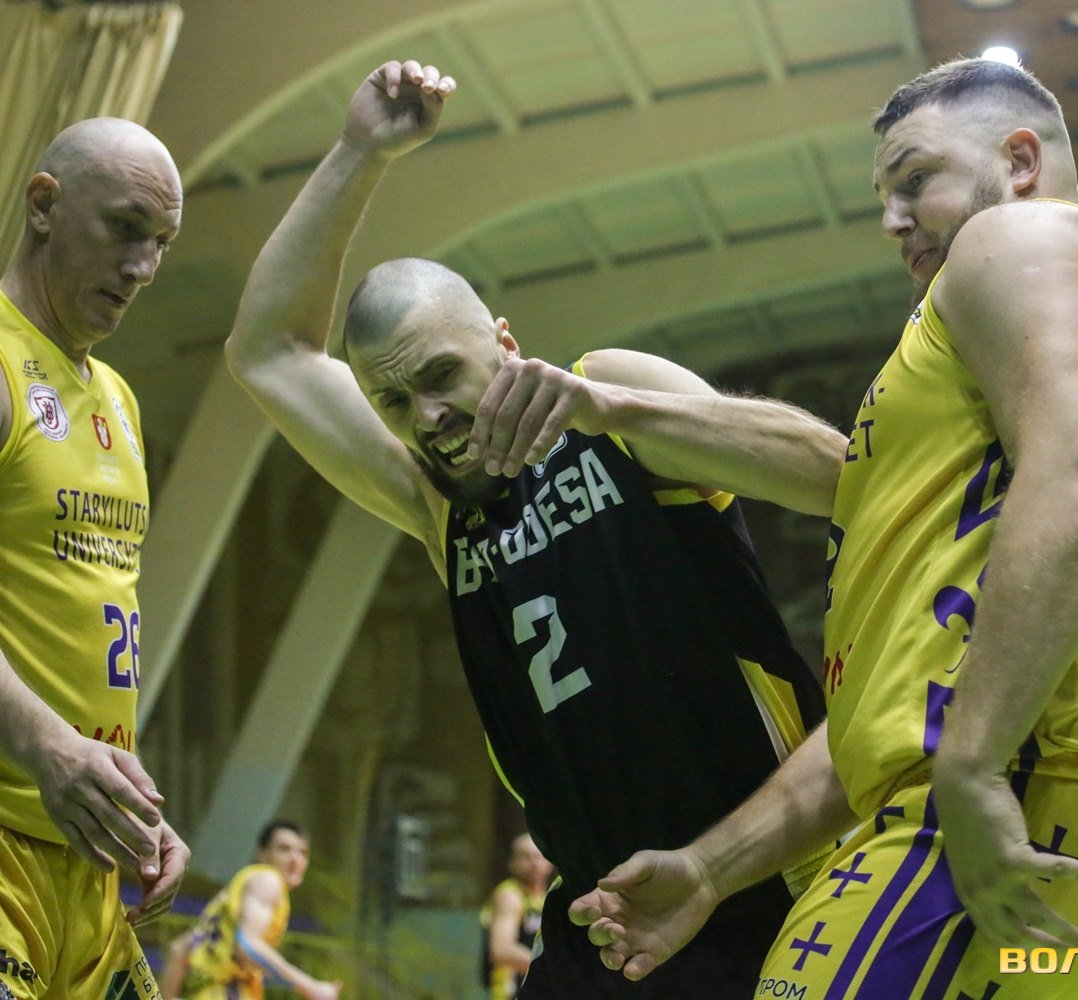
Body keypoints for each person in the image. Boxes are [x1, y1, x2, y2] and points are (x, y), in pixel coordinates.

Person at [570, 57, 1078, 999]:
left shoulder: (1019, 235)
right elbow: (894, 703)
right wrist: (712, 867)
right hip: (1037, 812)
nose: (892, 218)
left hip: (1008, 805)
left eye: (916, 179)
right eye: (883, 196)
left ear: (1020, 162)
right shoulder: (973, 390)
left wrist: (975, 766)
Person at [224, 60, 842, 998]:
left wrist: (618, 409)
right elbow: (269, 350)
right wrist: (358, 152)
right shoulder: (438, 502)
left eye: (441, 375)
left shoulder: (613, 401)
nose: (428, 416)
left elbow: (836, 475)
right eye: (395, 401)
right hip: (599, 919)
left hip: (768, 888)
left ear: (506, 344)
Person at [0, 117, 189, 1000]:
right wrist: (46, 745)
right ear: (44, 204)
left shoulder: (117, 397)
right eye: (124, 228)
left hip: (86, 861)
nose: (142, 267)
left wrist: (130, 805)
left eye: (161, 244)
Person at [159, 821, 338, 1000]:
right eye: (284, 849)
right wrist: (311, 987)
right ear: (262, 854)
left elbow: (178, 949)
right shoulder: (268, 880)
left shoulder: (236, 890)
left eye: (303, 853)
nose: (295, 859)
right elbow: (247, 945)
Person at [481, 833, 553, 999]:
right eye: (526, 857)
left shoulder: (548, 898)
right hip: (510, 993)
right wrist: (554, 967)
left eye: (539, 856)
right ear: (512, 863)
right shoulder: (510, 895)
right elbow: (502, 950)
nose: (534, 862)